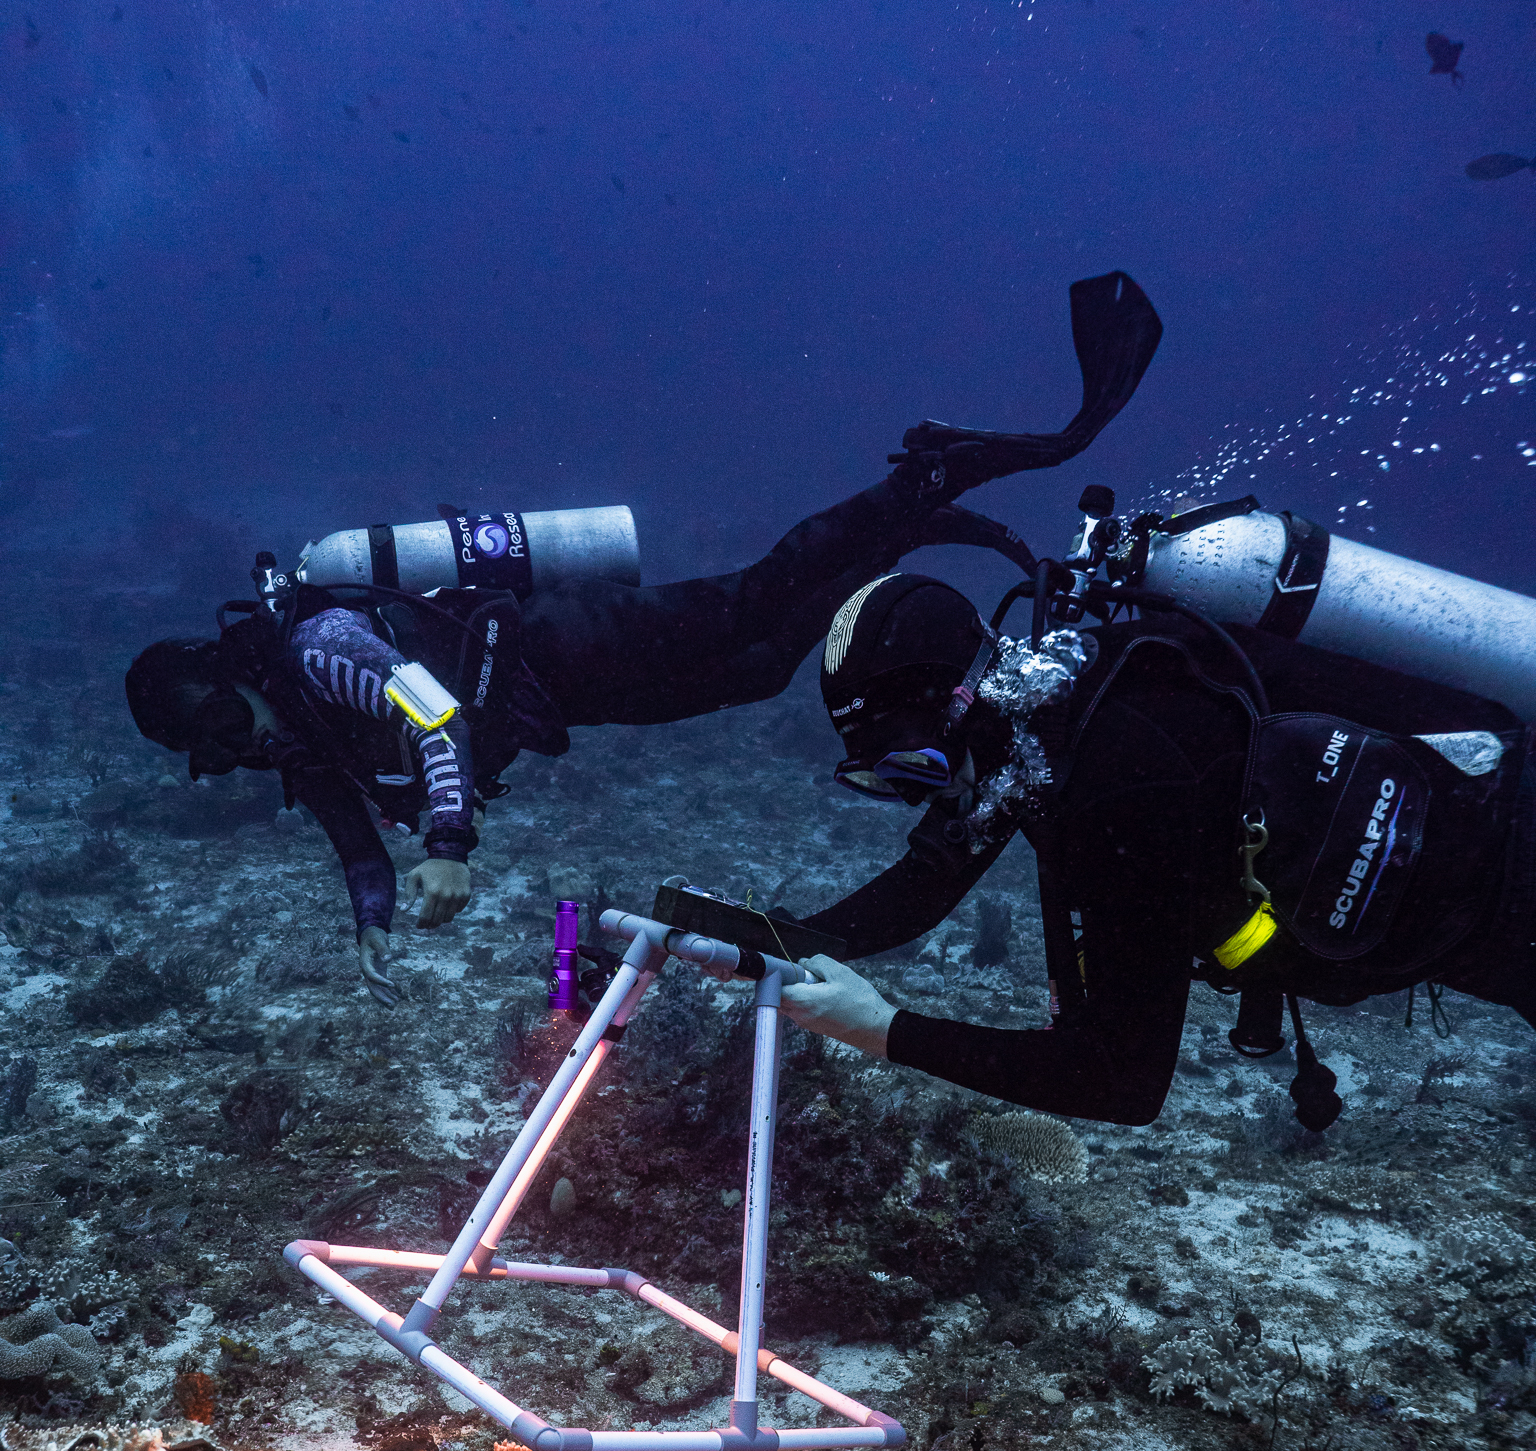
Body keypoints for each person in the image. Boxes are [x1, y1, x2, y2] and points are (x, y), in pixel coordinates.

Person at [123, 272, 1163, 1008]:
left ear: (229, 671)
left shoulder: (317, 650)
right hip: (561, 695)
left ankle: (922, 481)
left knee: (753, 604)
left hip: (560, 645)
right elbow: (354, 837)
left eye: (221, 718)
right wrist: (371, 920)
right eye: (213, 750)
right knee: (759, 668)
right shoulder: (296, 737)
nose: (238, 743)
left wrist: (448, 843)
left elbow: (431, 711)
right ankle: (907, 524)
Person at [780, 570, 1536, 1128]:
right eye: (883, 781)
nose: (919, 797)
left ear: (962, 701)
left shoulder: (1116, 782)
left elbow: (1118, 1081)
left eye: (916, 769)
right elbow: (930, 876)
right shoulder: (1046, 710)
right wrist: (772, 939)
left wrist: (878, 1029)